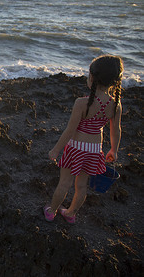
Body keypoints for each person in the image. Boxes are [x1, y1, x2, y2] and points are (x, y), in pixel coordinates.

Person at [44, 55, 123, 224]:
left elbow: (69, 131)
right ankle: (71, 213)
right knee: (81, 186)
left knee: (64, 183)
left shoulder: (82, 103)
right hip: (94, 151)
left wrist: (56, 149)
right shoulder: (115, 105)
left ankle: (52, 211)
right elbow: (116, 131)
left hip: (75, 149)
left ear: (92, 78)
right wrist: (113, 150)